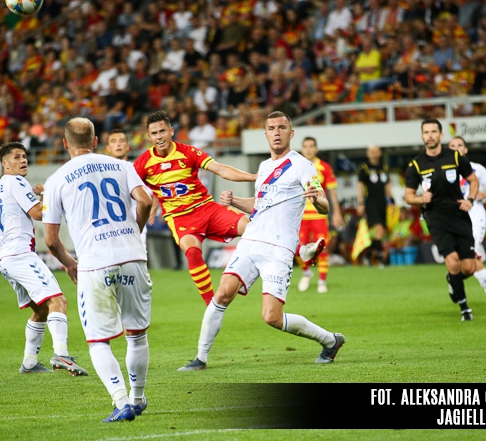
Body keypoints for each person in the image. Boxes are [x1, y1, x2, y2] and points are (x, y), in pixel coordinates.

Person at [177, 111, 345, 372]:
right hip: (251, 241)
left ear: (291, 133)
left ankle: (330, 340)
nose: (277, 132)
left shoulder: (302, 165)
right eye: (272, 128)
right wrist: (234, 201)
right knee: (222, 293)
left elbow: (322, 204)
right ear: (265, 134)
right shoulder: (265, 167)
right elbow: (260, 204)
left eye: (282, 128)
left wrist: (316, 199)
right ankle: (200, 358)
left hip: (278, 249)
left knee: (271, 317)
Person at [134, 111, 324, 305]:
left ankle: (301, 250)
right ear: (149, 136)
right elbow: (134, 189)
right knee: (192, 252)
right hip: (179, 218)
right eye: (154, 133)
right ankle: (211, 305)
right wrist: (151, 201)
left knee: (253, 225)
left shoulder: (188, 152)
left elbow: (221, 169)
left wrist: (253, 177)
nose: (159, 137)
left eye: (162, 131)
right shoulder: (143, 163)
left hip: (206, 208)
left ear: (171, 131)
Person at [43, 118, 154, 422]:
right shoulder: (122, 166)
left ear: (65, 144)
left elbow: (51, 240)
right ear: (95, 141)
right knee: (137, 335)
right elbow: (145, 200)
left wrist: (70, 263)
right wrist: (134, 232)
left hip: (95, 264)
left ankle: (121, 401)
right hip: (133, 257)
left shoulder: (57, 179)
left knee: (98, 341)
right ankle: (138, 397)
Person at [0, 142, 88, 376]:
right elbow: (37, 213)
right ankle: (61, 354)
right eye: (16, 157)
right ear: (5, 164)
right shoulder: (16, 181)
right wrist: (47, 194)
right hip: (20, 254)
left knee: (41, 309)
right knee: (58, 301)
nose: (23, 160)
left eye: (24, 156)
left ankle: (29, 363)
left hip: (5, 259)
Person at [404, 119, 480, 322]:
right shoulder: (416, 165)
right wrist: (420, 199)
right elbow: (408, 196)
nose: (430, 135)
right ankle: (465, 309)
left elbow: (473, 180)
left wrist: (470, 200)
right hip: (435, 217)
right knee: (453, 262)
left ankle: (452, 280)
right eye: (426, 132)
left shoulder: (455, 157)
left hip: (459, 215)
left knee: (468, 268)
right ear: (422, 136)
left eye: (433, 132)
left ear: (441, 135)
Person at [448, 136, 486, 310]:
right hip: (453, 219)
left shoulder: (476, 169)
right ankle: (454, 278)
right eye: (452, 146)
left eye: (460, 145)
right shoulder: (443, 170)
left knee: (471, 255)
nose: (456, 148)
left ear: (465, 150)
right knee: (461, 261)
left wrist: (483, 194)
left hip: (474, 217)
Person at [297, 137, 343, 293]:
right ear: (302, 149)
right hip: (300, 215)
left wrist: (337, 212)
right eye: (305, 146)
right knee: (298, 247)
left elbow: (332, 192)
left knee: (322, 248)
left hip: (319, 215)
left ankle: (322, 281)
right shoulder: (296, 166)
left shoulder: (324, 167)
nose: (308, 149)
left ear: (316, 149)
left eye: (311, 146)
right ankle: (306, 272)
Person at [105, 129, 159, 251]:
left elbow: (154, 191)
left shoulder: (138, 169)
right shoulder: (102, 173)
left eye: (122, 141)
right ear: (108, 148)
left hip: (136, 225)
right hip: (112, 228)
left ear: (128, 146)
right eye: (113, 141)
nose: (118, 144)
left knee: (139, 259)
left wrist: (154, 205)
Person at [357, 145, 394, 266]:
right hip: (370, 202)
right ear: (367, 154)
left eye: (376, 151)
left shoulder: (384, 167)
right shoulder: (364, 168)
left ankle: (369, 256)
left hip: (382, 202)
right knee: (379, 229)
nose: (374, 154)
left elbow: (387, 186)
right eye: (371, 152)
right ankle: (380, 257)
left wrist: (392, 201)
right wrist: (360, 203)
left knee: (381, 232)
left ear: (380, 153)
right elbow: (360, 186)